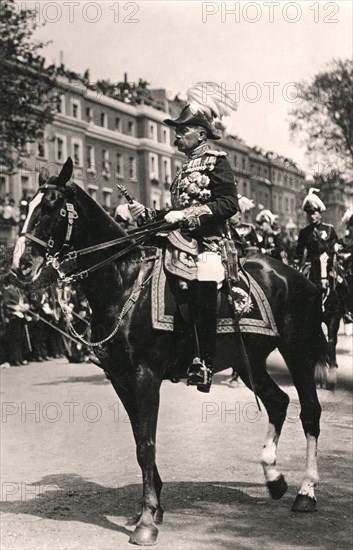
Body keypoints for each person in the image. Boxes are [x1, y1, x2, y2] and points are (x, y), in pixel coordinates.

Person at [129, 93, 239, 392]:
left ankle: (203, 360)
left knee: (204, 279)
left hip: (209, 242)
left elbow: (229, 204)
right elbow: (173, 213)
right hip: (180, 241)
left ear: (201, 133)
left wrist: (189, 214)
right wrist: (149, 214)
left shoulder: (218, 162)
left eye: (183, 129)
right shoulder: (182, 170)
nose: (178, 134)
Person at [296, 188, 353, 323]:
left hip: (329, 265)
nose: (312, 216)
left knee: (343, 284)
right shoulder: (304, 232)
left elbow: (337, 244)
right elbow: (299, 252)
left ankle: (346, 312)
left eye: (314, 213)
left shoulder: (329, 229)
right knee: (296, 286)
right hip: (311, 265)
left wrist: (338, 250)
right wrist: (298, 264)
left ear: (320, 213)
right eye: (309, 213)